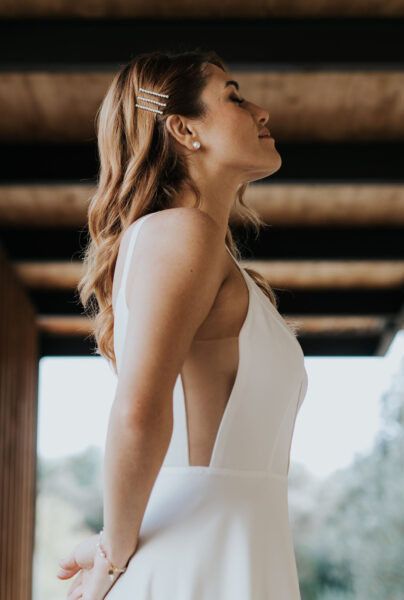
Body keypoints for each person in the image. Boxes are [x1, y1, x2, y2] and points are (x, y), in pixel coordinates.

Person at [56, 49, 308, 600]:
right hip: (199, 565)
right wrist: (111, 555)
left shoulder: (206, 252)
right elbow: (139, 412)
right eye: (234, 97)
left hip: (232, 551)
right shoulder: (182, 233)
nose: (261, 110)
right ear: (184, 129)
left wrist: (110, 541)